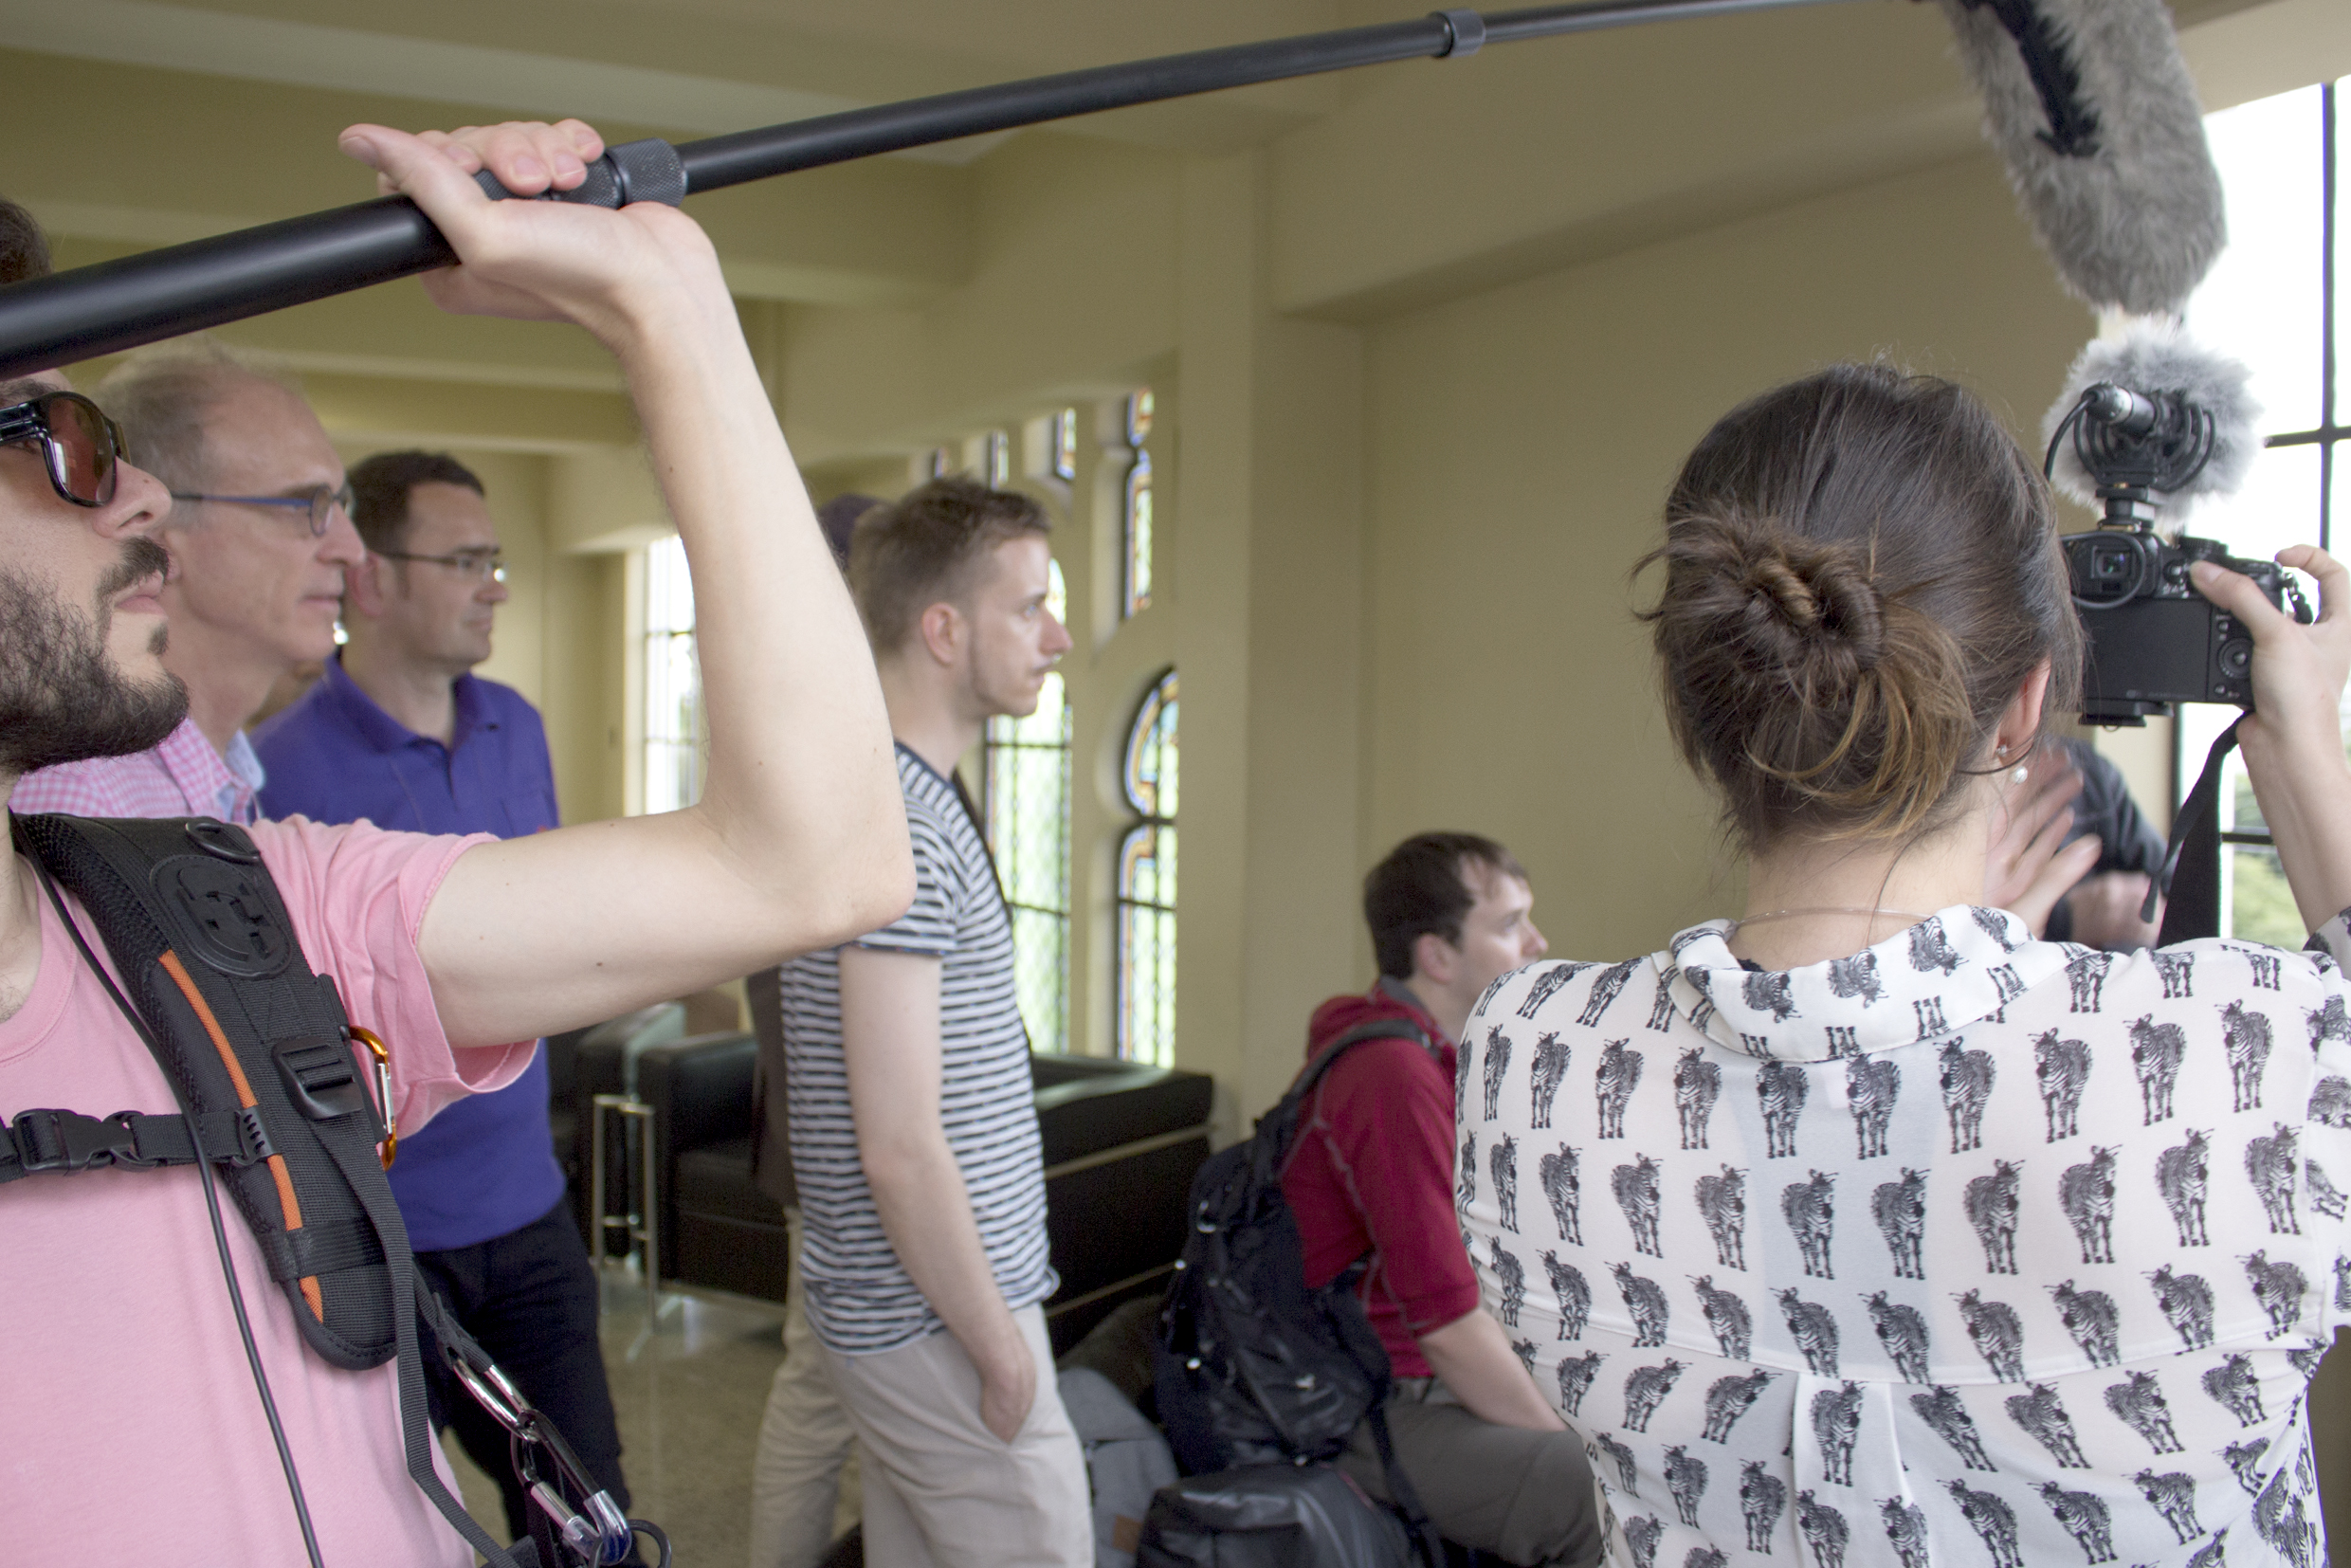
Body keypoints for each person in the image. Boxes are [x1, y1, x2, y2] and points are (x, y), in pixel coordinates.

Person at [1, 117, 911, 1566]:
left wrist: (665, 301)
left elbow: (818, 859)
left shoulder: (241, 912)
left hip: (506, 1214)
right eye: (65, 442)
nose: (145, 504)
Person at [1458, 363, 2351, 1568]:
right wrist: (2302, 747)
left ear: (1698, 712)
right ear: (2027, 703)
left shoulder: (1526, 1060)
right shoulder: (2240, 1062)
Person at [249, 449, 627, 1544]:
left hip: (531, 1211)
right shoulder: (275, 768)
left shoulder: (516, 719)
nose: (495, 584)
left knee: (592, 1518)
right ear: (368, 578)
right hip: (381, 1242)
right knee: (401, 1533)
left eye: (494, 559)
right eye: (465, 560)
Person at [766, 475, 1088, 1568]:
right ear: (942, 629)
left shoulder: (899, 798)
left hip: (920, 1316)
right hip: (939, 1325)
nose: (1058, 635)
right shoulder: (899, 820)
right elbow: (899, 1144)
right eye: (1028, 605)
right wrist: (999, 1348)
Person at [1284, 832, 1601, 1567]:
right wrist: (1568, 1437)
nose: (1537, 942)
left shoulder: (1437, 1058)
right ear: (1437, 956)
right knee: (1603, 1490)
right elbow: (1447, 1326)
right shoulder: (1390, 1074)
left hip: (1424, 1381)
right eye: (1507, 924)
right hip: (1368, 1399)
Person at [10, 337, 365, 823]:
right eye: (306, 506)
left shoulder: (223, 776)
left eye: (341, 507)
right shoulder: (86, 804)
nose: (353, 551)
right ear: (158, 533)